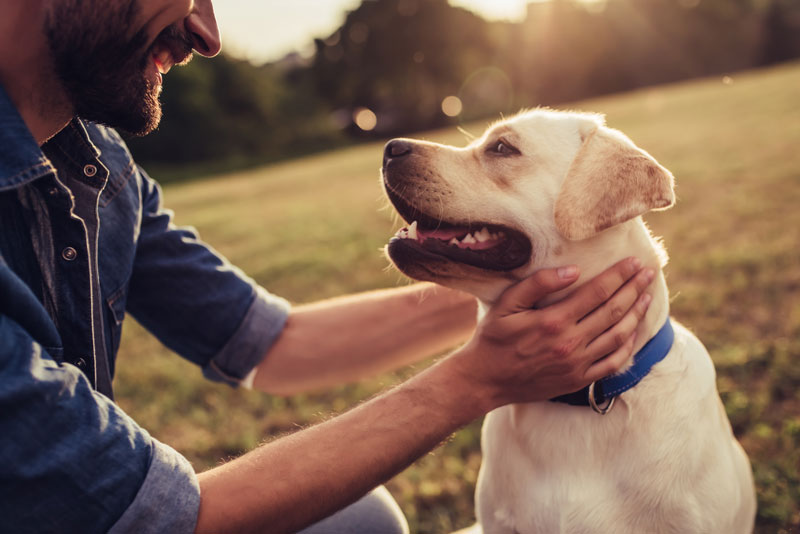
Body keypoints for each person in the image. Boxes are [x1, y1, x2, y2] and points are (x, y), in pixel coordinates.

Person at [0, 1, 655, 533]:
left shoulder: (99, 168)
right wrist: (475, 381)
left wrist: (545, 281)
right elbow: (152, 519)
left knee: (358, 522)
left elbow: (274, 343)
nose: (206, 33)